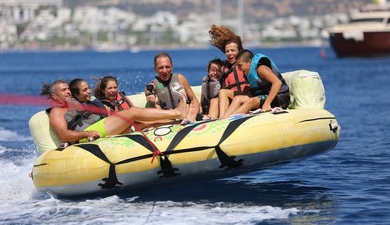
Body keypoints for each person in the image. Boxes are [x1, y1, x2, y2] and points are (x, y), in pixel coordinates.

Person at [40, 79, 188, 144]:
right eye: (63, 90)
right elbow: (64, 135)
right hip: (90, 133)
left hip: (101, 126)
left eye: (68, 89)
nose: (68, 92)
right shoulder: (56, 112)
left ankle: (177, 122)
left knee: (138, 124)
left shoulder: (76, 103)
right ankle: (177, 112)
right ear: (54, 95)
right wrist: (87, 134)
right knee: (132, 112)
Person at [221, 49, 290, 118]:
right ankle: (223, 119)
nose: (238, 68)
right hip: (265, 96)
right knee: (238, 98)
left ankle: (228, 120)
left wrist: (267, 103)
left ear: (250, 62)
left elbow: (277, 82)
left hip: (281, 97)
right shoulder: (247, 72)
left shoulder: (261, 69)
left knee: (251, 101)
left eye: (240, 65)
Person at [145, 52, 201, 122]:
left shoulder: (180, 78)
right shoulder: (153, 84)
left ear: (172, 67)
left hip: (187, 117)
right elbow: (148, 90)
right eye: (161, 68)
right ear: (155, 69)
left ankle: (189, 119)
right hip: (167, 120)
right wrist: (149, 95)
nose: (165, 70)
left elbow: (194, 100)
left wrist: (193, 114)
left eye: (167, 67)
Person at [208, 24, 250, 118]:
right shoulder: (224, 67)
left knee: (223, 92)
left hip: (246, 97)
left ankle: (222, 119)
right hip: (232, 98)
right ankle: (212, 123)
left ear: (239, 51)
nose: (230, 53)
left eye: (233, 51)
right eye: (227, 51)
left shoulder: (245, 63)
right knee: (214, 101)